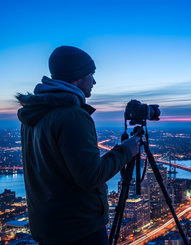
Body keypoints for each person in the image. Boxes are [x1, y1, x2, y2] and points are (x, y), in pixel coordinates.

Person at [16, 46, 140, 244]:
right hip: (80, 229)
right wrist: (127, 150)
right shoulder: (72, 115)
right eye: (91, 74)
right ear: (77, 77)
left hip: (48, 227)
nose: (94, 81)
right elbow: (91, 176)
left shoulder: (33, 116)